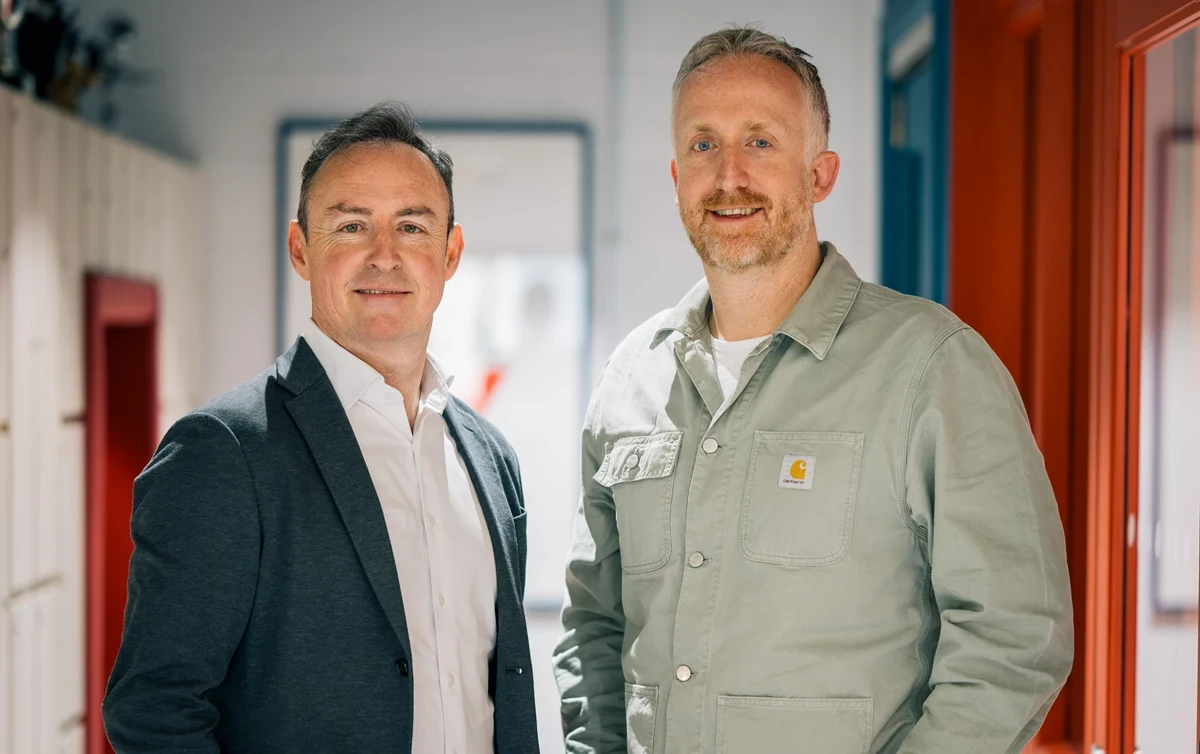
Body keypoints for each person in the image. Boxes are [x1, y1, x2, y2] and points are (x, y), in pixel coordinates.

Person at [555, 26, 1072, 753]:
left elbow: (1017, 636)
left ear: (820, 174)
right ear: (676, 178)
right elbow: (594, 628)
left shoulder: (932, 366)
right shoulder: (629, 379)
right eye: (704, 145)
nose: (729, 174)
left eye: (761, 142)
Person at [103, 101, 539, 754]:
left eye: (413, 227)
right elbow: (154, 709)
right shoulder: (223, 454)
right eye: (352, 226)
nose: (384, 256)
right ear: (301, 249)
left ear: (450, 253)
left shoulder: (488, 457)